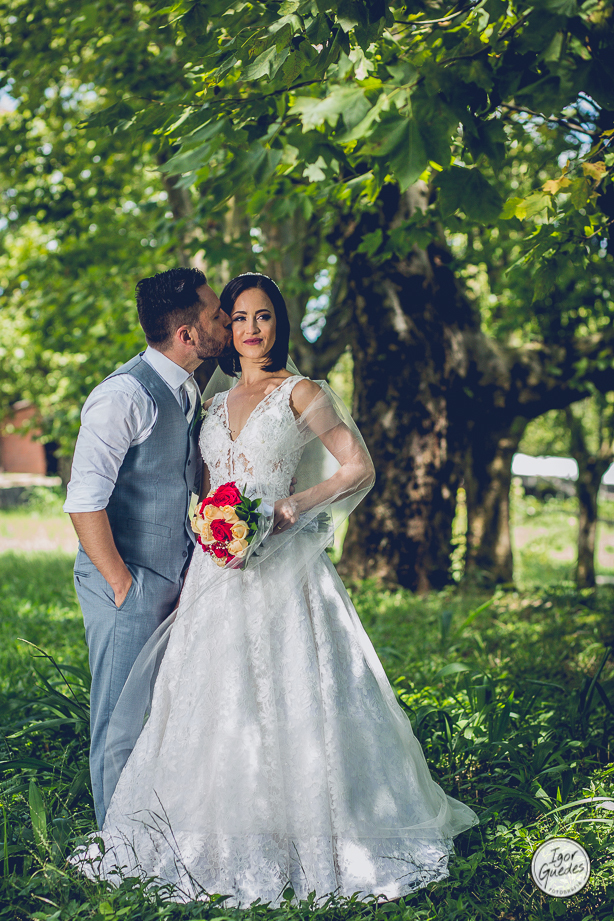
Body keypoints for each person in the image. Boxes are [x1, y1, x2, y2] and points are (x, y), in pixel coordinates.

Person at [73, 273, 478, 904]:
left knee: (293, 697)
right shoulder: (205, 403)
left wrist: (295, 506)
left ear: (278, 323)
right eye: (235, 317)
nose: (249, 328)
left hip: (286, 570)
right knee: (211, 707)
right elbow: (198, 491)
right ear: (219, 330)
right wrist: (211, 531)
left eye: (262, 316)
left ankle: (307, 832)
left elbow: (357, 466)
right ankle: (203, 831)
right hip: (215, 575)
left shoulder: (301, 391)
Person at [64, 267, 232, 828]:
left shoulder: (189, 390)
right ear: (187, 335)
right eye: (215, 314)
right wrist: (121, 584)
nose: (226, 320)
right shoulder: (122, 396)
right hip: (128, 581)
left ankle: (153, 823)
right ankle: (118, 842)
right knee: (119, 718)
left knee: (162, 710)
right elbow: (84, 501)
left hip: (176, 576)